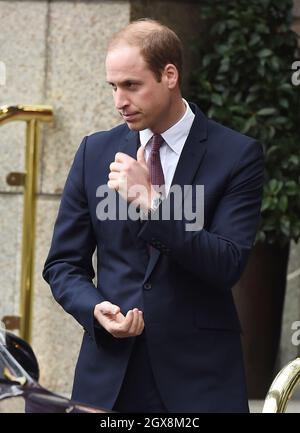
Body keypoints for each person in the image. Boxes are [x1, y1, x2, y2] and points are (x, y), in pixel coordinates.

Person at [43, 18, 264, 413]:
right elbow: (63, 264)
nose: (119, 101)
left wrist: (153, 202)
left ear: (169, 75)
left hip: (201, 378)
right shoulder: (95, 152)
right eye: (113, 86)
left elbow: (228, 262)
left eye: (131, 85)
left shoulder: (236, 155)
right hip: (109, 376)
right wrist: (93, 308)